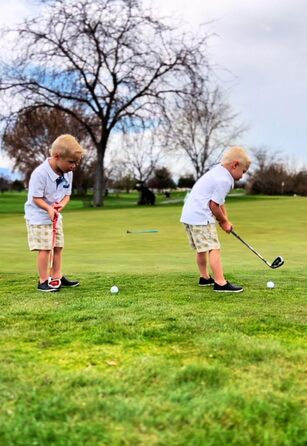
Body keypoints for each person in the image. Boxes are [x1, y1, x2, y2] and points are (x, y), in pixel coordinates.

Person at [180, 146, 251, 293]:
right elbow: (214, 205)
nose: (242, 176)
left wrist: (225, 220)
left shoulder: (218, 172)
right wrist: (223, 222)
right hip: (201, 215)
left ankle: (204, 278)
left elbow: (219, 201)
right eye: (243, 171)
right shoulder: (224, 180)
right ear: (235, 164)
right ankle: (220, 282)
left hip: (189, 215)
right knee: (214, 248)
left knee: (202, 249)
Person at [25, 134, 86, 292]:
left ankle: (57, 276)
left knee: (58, 246)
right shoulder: (40, 173)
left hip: (55, 215)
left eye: (76, 162)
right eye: (71, 162)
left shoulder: (68, 173)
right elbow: (36, 198)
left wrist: (60, 205)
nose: (74, 166)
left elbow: (67, 195)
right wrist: (49, 208)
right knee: (45, 248)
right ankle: (43, 281)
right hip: (38, 216)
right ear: (57, 156)